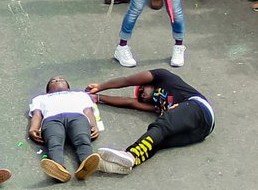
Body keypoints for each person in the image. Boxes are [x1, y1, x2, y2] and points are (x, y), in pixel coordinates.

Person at [83, 66, 212, 174]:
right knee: (158, 142)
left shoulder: (163, 77)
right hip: (201, 132)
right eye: (140, 96)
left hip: (198, 108)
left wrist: (101, 86)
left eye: (141, 90)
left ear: (148, 83)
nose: (141, 96)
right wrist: (98, 98)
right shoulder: (156, 105)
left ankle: (130, 154)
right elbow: (130, 102)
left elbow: (127, 80)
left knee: (161, 125)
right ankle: (123, 165)